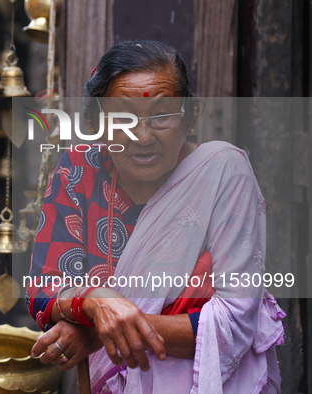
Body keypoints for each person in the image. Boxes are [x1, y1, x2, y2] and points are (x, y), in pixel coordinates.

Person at [27, 40, 285, 393]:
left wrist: (103, 332)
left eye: (162, 115)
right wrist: (96, 301)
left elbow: (236, 322)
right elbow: (43, 290)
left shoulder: (224, 173)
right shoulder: (78, 169)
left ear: (189, 118)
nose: (143, 136)